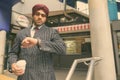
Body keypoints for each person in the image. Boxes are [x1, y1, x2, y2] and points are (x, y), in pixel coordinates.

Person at [8, 4, 66, 80]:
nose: (40, 17)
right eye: (37, 14)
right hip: (24, 76)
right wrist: (13, 64)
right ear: (33, 15)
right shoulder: (21, 33)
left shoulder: (52, 32)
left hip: (45, 77)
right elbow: (13, 53)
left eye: (43, 15)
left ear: (46, 18)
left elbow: (62, 49)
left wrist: (38, 42)